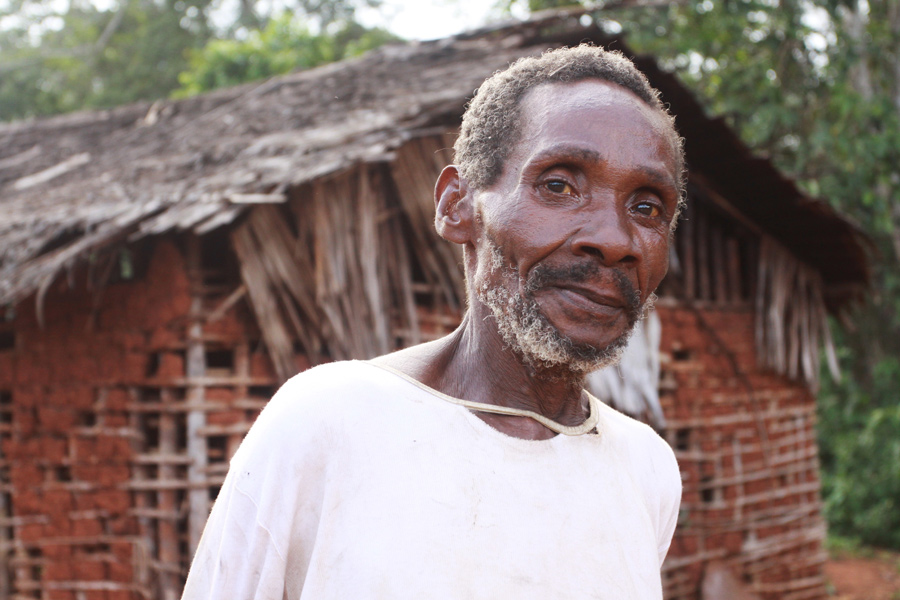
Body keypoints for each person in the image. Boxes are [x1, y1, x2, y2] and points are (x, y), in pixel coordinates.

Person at [182, 44, 684, 599]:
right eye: (559, 185)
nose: (613, 240)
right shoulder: (328, 422)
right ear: (457, 205)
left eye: (647, 206)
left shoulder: (645, 469)